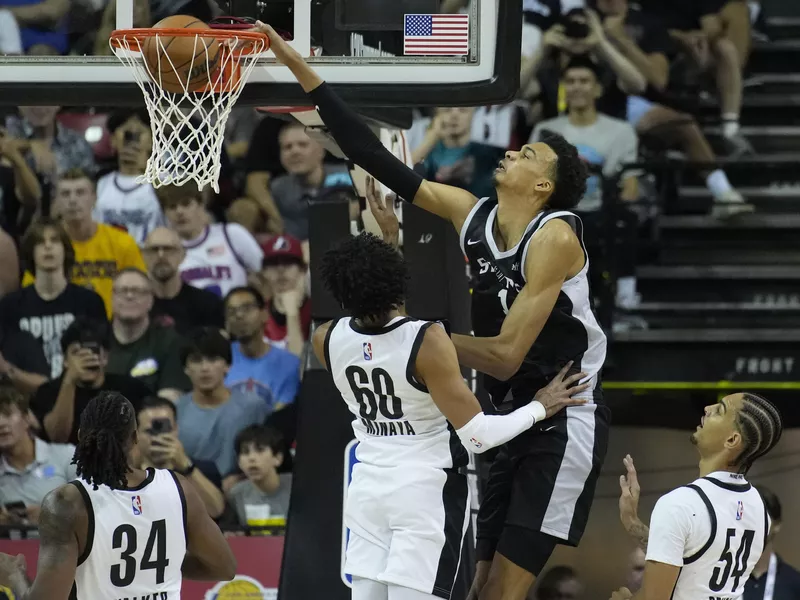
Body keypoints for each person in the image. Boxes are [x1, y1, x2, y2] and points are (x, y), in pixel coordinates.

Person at [253, 23, 609, 600]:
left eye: (529, 153)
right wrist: (299, 68)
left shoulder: (556, 238)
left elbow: (504, 356)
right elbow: (374, 156)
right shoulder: (473, 212)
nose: (513, 149)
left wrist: (415, 341)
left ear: (543, 185)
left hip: (562, 412)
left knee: (500, 593)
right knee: (472, 586)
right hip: (508, 413)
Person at [311, 232, 589, 600]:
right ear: (396, 280)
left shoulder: (324, 337)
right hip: (422, 492)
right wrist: (539, 406)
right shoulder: (427, 339)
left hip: (366, 490)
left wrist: (390, 238)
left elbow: (380, 330)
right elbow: (478, 436)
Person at [0, 390, 237, 599]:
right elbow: (224, 568)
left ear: (81, 437)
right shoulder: (178, 488)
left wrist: (14, 577)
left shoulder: (67, 504)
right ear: (134, 439)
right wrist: (164, 562)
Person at [612, 393, 783, 600]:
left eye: (719, 410)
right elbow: (692, 559)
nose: (707, 408)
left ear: (731, 440)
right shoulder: (759, 509)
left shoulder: (680, 504)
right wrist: (631, 522)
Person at [0, 217, 107, 379]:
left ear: (66, 250)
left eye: (55, 241)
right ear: (31, 252)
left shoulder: (90, 302)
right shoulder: (10, 306)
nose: (48, 247)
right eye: (40, 242)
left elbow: (101, 359)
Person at [142, 227, 225, 334]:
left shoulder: (209, 304)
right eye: (154, 250)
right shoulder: (134, 308)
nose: (161, 255)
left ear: (182, 255)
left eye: (168, 249)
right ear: (143, 256)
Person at [743, 486, 800, 600]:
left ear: (777, 525)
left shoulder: (794, 583)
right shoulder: (723, 580)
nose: (754, 526)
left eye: (762, 518)